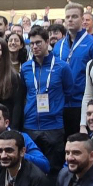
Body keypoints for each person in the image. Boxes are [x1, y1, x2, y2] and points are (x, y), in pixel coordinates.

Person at [21, 26, 69, 174]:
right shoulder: (26, 67)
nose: (35, 47)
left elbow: (69, 91)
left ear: (47, 42)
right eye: (32, 44)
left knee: (54, 169)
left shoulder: (62, 66)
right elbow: (24, 92)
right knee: (31, 169)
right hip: (31, 125)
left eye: (38, 42)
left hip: (54, 126)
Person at [53, 2, 93, 138]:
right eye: (67, 17)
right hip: (60, 104)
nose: (70, 20)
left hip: (82, 103)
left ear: (82, 19)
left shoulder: (92, 43)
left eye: (74, 16)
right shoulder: (58, 45)